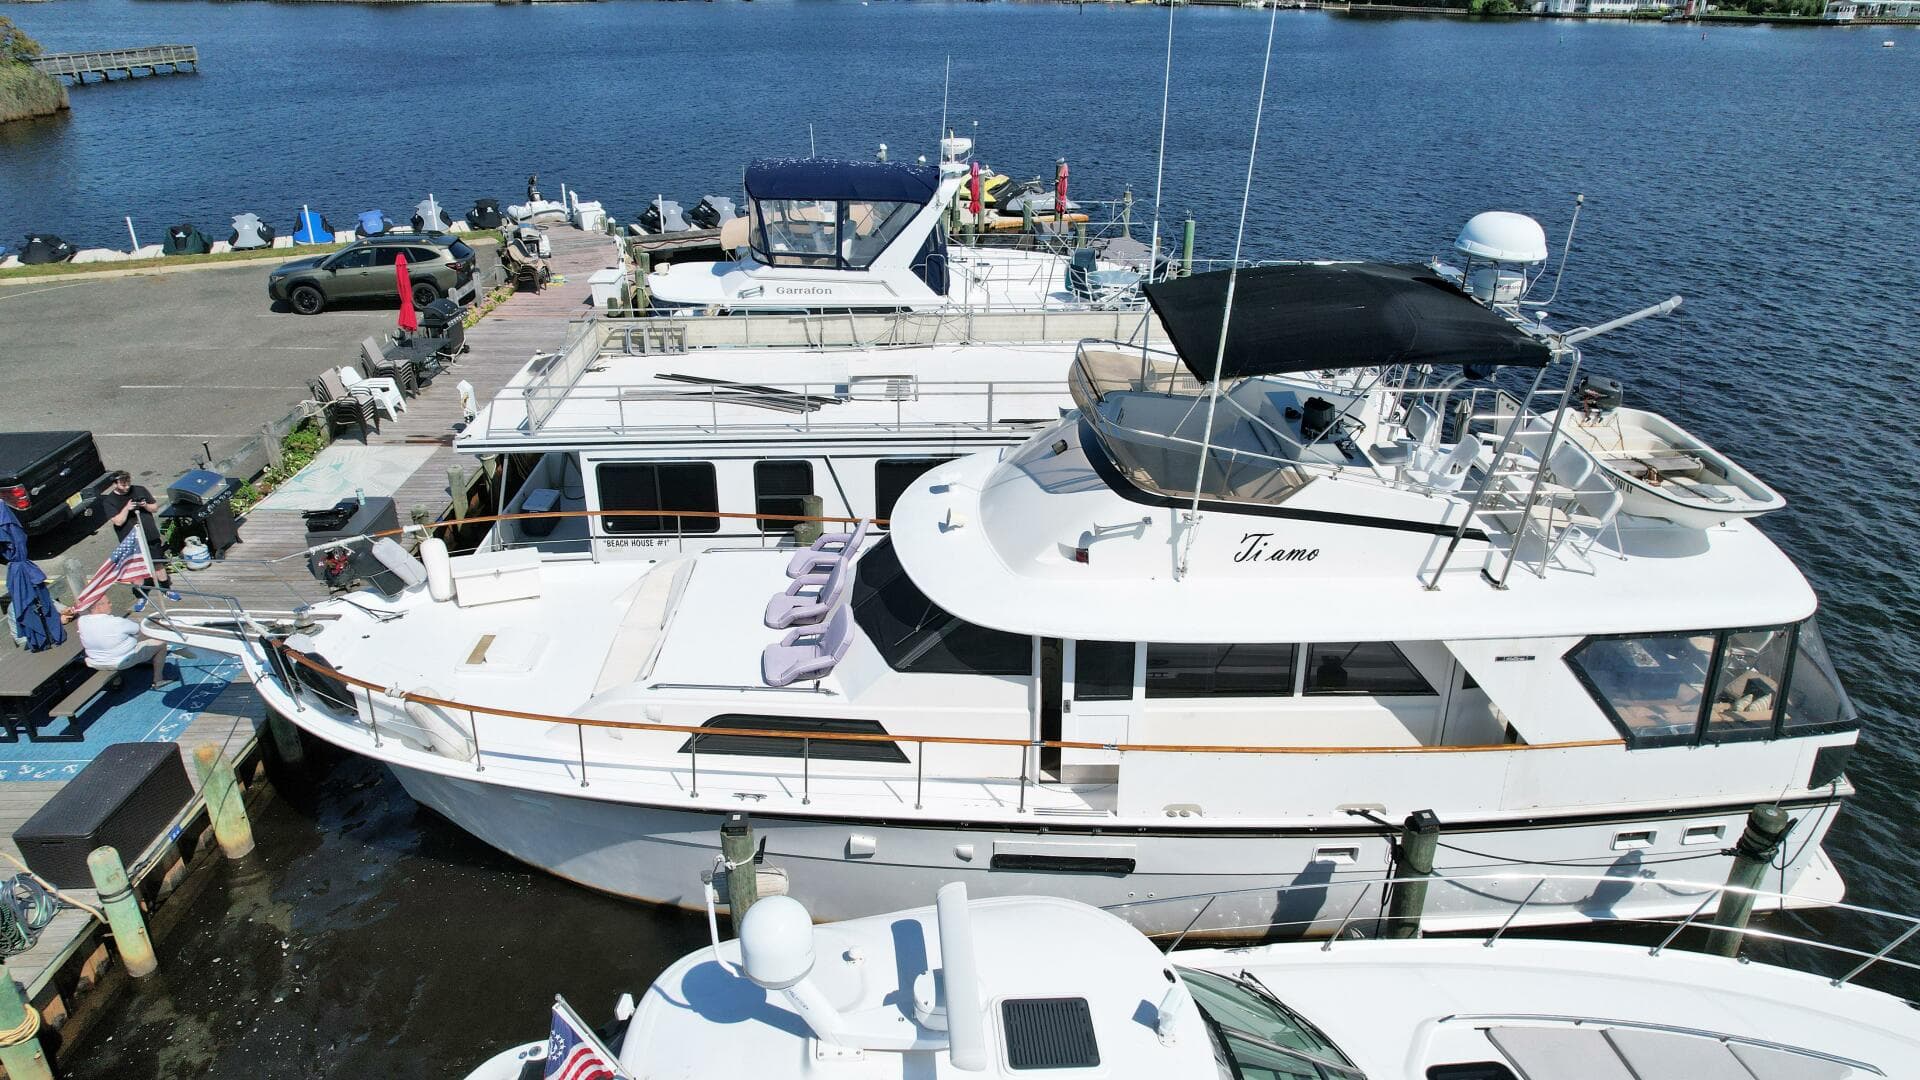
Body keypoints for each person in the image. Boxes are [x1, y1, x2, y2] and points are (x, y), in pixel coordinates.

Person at [95, 470, 179, 611]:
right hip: (131, 540)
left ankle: (166, 590)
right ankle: (141, 596)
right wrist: (127, 508)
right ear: (115, 484)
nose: (127, 487)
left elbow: (154, 507)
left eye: (128, 483)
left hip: (149, 534)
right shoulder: (109, 501)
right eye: (123, 484)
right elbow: (118, 521)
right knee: (136, 569)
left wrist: (145, 505)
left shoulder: (140, 490)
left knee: (158, 564)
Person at [67, 598, 170, 685]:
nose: (111, 604)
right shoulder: (117, 622)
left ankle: (119, 678)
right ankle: (158, 680)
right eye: (108, 602)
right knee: (161, 643)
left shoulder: (82, 621)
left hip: (94, 661)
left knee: (126, 639)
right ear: (99, 607)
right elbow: (139, 630)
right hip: (121, 661)